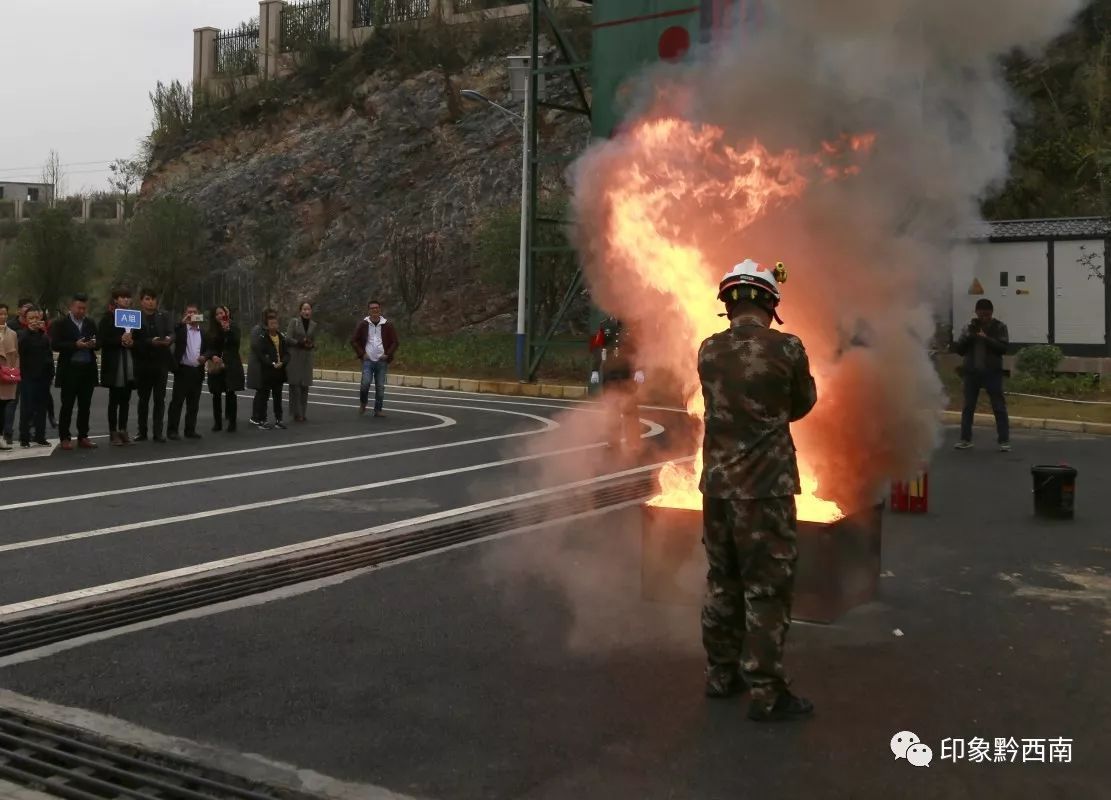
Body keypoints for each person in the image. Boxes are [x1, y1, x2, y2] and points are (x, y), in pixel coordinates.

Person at [696, 258, 817, 722]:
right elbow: (801, 405)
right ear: (770, 304)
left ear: (728, 303)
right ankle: (767, 692)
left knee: (722, 582)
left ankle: (721, 674)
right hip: (765, 490)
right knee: (766, 590)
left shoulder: (707, 350)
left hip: (717, 491)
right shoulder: (788, 349)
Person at [953, 298, 1010, 451]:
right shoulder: (969, 327)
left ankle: (1004, 441)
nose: (983, 317)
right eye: (981, 314)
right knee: (968, 407)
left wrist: (987, 339)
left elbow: (1003, 348)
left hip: (992, 372)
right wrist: (969, 338)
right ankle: (965, 439)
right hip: (972, 373)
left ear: (991, 313)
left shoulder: (999, 327)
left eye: (987, 314)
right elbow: (959, 349)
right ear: (976, 312)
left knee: (998, 407)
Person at [589, 315, 645, 452]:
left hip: (627, 374)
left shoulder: (632, 325)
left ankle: (634, 443)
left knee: (630, 410)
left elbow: (639, 348)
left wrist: (640, 369)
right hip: (610, 374)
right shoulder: (605, 326)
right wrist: (595, 369)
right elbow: (598, 348)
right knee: (611, 411)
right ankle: (613, 442)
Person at [51, 293, 100, 451]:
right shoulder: (61, 323)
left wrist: (94, 343)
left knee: (85, 405)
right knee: (67, 405)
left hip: (87, 368)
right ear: (71, 306)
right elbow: (56, 345)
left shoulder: (90, 322)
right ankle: (65, 437)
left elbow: (98, 341)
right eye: (78, 307)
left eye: (84, 308)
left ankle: (83, 436)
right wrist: (74, 345)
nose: (81, 311)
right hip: (69, 369)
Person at [133, 288, 175, 442]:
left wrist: (169, 339)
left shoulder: (163, 316)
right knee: (143, 400)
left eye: (153, 299)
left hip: (160, 363)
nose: (151, 302)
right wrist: (150, 341)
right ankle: (141, 431)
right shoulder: (135, 317)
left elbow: (172, 332)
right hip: (143, 363)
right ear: (141, 301)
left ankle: (158, 432)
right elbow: (133, 340)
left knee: (159, 399)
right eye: (147, 299)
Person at [98, 287, 137, 446]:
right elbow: (101, 340)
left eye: (128, 297)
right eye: (122, 297)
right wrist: (119, 340)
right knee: (114, 398)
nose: (126, 300)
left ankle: (123, 429)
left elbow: (139, 338)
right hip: (115, 362)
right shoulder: (107, 318)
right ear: (115, 300)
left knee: (126, 398)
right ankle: (113, 431)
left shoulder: (134, 317)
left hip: (129, 360)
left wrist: (132, 342)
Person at [167, 303, 209, 440]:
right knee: (177, 402)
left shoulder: (203, 332)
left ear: (199, 314)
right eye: (189, 312)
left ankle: (190, 430)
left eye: (194, 312)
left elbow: (209, 348)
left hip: (197, 371)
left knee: (193, 403)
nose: (191, 314)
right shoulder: (180, 329)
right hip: (183, 370)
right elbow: (171, 332)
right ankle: (172, 430)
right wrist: (181, 322)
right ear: (185, 314)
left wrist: (206, 356)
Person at [350, 300, 398, 417]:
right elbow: (353, 340)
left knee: (380, 386)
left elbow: (395, 342)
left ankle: (378, 409)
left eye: (376, 308)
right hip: (368, 360)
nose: (375, 310)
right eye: (372, 308)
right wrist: (362, 354)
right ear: (369, 311)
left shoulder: (387, 325)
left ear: (380, 310)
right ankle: (363, 403)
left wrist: (388, 354)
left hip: (382, 361)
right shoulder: (363, 324)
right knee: (365, 383)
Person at [16, 307, 52, 449]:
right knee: (27, 408)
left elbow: (48, 355)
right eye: (31, 318)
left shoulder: (43, 336)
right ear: (26, 320)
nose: (34, 321)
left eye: (36, 318)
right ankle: (24, 437)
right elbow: (20, 349)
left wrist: (50, 374)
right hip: (28, 377)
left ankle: (40, 436)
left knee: (41, 408)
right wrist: (29, 331)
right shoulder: (22, 335)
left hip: (43, 377)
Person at [205, 305, 245, 432]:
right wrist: (212, 356)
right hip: (216, 365)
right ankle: (217, 423)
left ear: (226, 313)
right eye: (216, 314)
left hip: (230, 364)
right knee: (216, 394)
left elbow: (236, 343)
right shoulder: (211, 330)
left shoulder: (233, 326)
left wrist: (227, 330)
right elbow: (207, 347)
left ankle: (232, 423)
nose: (219, 316)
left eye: (221, 313)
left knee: (230, 392)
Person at [250, 309, 289, 430]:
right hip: (267, 371)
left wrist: (283, 362)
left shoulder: (282, 337)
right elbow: (260, 353)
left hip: (279, 372)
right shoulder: (262, 337)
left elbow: (287, 353)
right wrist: (271, 363)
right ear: (267, 324)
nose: (274, 325)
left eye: (275, 323)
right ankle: (262, 419)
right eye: (271, 323)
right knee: (264, 397)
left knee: (278, 397)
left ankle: (279, 419)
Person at [285, 301, 317, 423]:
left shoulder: (314, 325)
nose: (306, 311)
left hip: (307, 357)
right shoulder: (294, 322)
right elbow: (287, 338)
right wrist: (298, 343)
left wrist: (311, 344)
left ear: (311, 311)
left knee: (305, 387)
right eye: (304, 309)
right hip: (295, 357)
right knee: (295, 387)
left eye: (308, 309)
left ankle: (303, 413)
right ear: (300, 311)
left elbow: (314, 341)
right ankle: (296, 413)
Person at [0, 304, 19, 451]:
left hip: (7, 375)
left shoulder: (12, 333)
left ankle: (1, 438)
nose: (3, 317)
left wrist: (14, 370)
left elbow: (16, 354)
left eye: (5, 314)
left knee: (4, 406)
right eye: (0, 314)